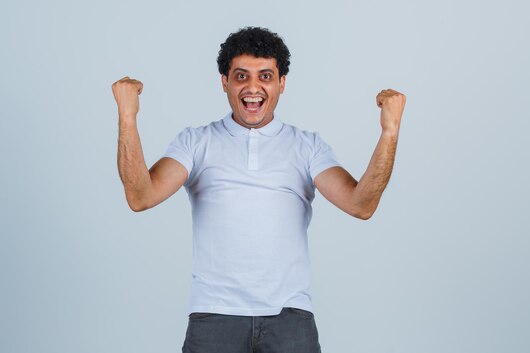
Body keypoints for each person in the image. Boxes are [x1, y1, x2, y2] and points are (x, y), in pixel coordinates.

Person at [111, 27, 406, 353]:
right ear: (225, 82)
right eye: (241, 76)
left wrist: (389, 132)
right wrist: (128, 117)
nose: (253, 88)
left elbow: (360, 204)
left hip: (290, 319)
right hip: (214, 317)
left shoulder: (307, 147)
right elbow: (141, 196)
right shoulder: (196, 142)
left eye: (265, 76)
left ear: (281, 83)